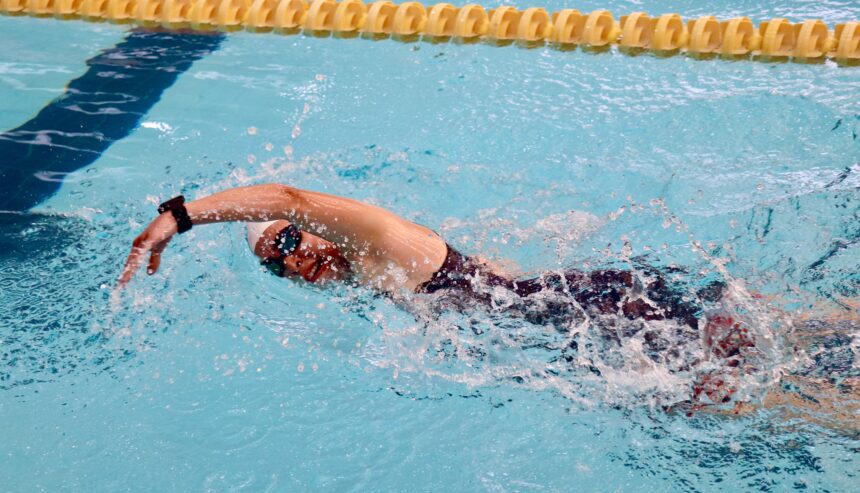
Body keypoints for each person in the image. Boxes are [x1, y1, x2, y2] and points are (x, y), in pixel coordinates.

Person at [120, 183, 757, 406]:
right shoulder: (370, 278)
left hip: (620, 315)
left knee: (759, 406)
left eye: (288, 241)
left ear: (310, 229)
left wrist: (180, 216)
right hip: (600, 325)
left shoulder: (381, 246)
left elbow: (287, 196)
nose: (294, 261)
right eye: (276, 267)